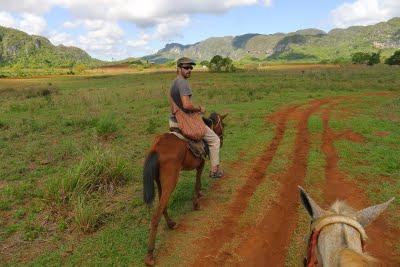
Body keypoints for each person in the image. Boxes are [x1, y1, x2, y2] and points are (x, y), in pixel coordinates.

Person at [169, 57, 224, 178]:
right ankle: (215, 170)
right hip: (185, 122)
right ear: (178, 68)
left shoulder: (174, 82)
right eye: (186, 67)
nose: (189, 70)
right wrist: (199, 109)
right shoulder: (183, 83)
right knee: (215, 140)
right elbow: (187, 105)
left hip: (173, 121)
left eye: (191, 67)